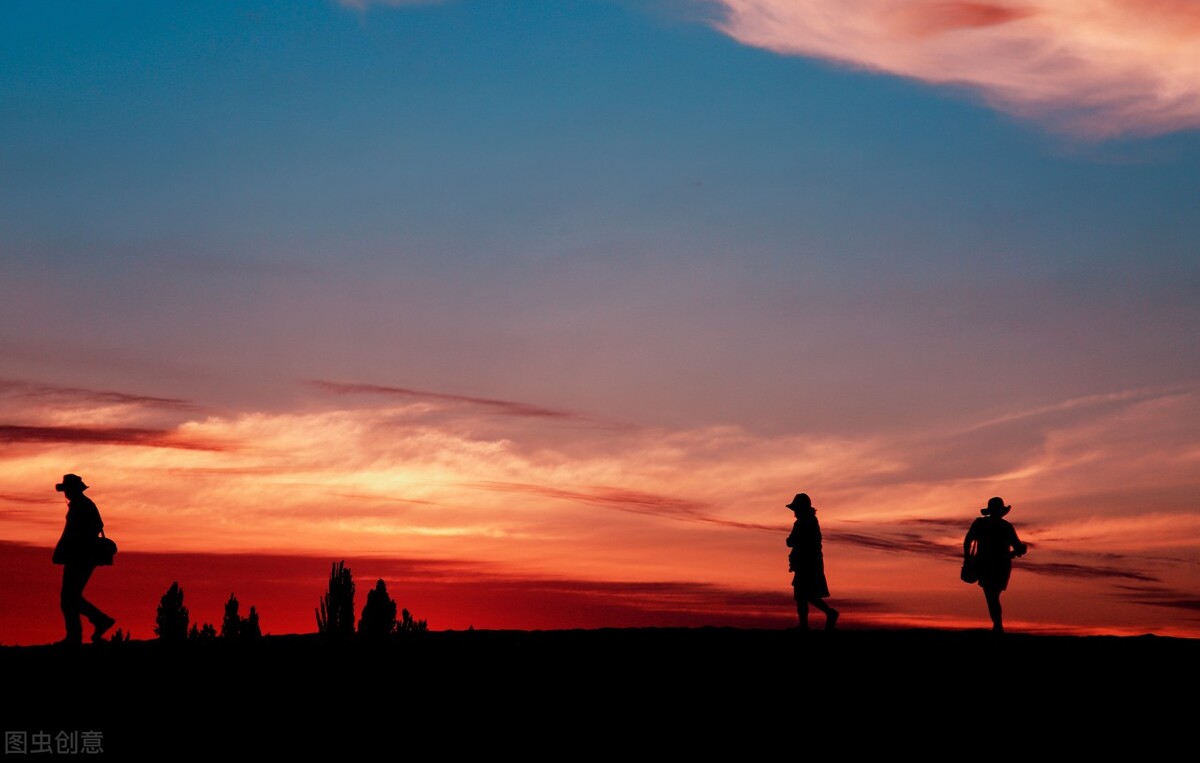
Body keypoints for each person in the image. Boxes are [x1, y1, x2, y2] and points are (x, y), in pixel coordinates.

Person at [52, 474, 115, 645]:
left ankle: (78, 634)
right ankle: (97, 622)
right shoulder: (83, 505)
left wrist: (64, 551)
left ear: (74, 490)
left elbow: (73, 533)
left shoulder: (81, 506)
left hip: (80, 557)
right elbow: (96, 526)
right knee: (70, 597)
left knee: (68, 598)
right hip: (81, 556)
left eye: (67, 490)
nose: (66, 493)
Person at [963, 496, 1027, 633]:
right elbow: (1018, 547)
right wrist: (1020, 550)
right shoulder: (1006, 526)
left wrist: (967, 558)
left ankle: (998, 626)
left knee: (991, 595)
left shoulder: (980, 524)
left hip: (986, 563)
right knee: (993, 595)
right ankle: (998, 626)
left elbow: (967, 541)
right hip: (1001, 564)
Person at [786, 493, 838, 630]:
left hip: (806, 563)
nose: (795, 513)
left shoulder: (803, 523)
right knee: (805, 595)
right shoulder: (811, 521)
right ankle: (824, 616)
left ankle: (824, 616)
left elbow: (790, 542)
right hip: (810, 562)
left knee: (803, 594)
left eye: (796, 510)